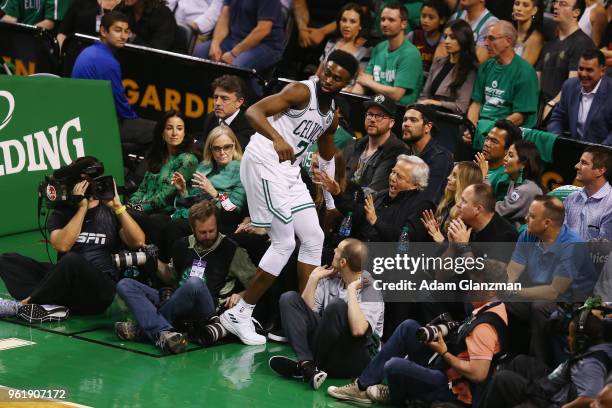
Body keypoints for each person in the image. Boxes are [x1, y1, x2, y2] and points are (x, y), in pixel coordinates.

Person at [218, 50, 359, 346]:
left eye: (337, 78)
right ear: (321, 66)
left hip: (289, 171)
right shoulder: (299, 91)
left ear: (347, 83)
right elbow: (254, 112)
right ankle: (240, 312)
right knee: (284, 242)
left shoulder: (330, 113)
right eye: (327, 71)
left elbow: (326, 153)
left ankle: (302, 316)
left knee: (313, 237)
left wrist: (331, 203)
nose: (329, 79)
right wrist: (277, 137)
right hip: (264, 161)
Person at [327, 262, 509, 407]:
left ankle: (397, 396)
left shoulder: (485, 327)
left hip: (452, 388)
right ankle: (362, 386)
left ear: (492, 290)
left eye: (475, 283)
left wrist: (445, 353)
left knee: (394, 366)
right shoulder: (491, 307)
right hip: (446, 368)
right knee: (408, 327)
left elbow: (478, 374)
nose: (469, 287)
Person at [0, 157, 145, 317]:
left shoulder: (111, 210)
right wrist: (82, 208)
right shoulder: (63, 212)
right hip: (67, 284)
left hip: (99, 288)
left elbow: (137, 241)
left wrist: (118, 207)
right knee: (8, 260)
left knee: (71, 260)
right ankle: (50, 306)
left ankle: (23, 305)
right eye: (84, 180)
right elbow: (62, 245)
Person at [115, 200, 256, 354]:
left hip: (207, 307)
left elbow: (257, 284)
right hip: (177, 301)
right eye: (202, 232)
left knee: (194, 283)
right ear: (192, 229)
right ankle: (162, 332)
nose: (208, 236)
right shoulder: (181, 245)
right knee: (125, 284)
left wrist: (240, 295)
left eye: (211, 230)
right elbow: (170, 278)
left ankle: (145, 329)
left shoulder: (232, 250)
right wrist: (154, 262)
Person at [268, 239, 384, 390]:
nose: (333, 251)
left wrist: (351, 290)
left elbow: (359, 330)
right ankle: (308, 365)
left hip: (357, 356)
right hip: (328, 348)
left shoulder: (370, 289)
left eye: (337, 249)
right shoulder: (333, 276)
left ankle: (304, 368)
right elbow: (305, 314)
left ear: (342, 262)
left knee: (337, 306)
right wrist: (313, 279)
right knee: (289, 299)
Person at [506, 195, 597, 365]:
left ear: (547, 223)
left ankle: (540, 365)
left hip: (573, 299)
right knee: (498, 298)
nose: (526, 219)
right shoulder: (528, 235)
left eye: (532, 216)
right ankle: (505, 354)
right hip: (539, 289)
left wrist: (514, 290)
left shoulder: (572, 245)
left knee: (540, 306)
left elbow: (554, 291)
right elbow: (513, 270)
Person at [483, 311, 611, 408]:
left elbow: (589, 397)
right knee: (519, 362)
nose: (568, 339)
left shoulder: (590, 365)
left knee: (502, 379)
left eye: (571, 335)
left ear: (582, 341)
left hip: (551, 399)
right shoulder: (599, 346)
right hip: (554, 383)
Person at [71, 11, 156, 156]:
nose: (123, 36)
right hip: (97, 125)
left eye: (126, 32)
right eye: (118, 30)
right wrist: (137, 122)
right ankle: (138, 177)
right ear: (103, 31)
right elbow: (121, 106)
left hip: (81, 119)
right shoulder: (108, 63)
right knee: (159, 131)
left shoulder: (89, 51)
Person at [464, 20, 539, 149]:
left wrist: (490, 132)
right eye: (485, 38)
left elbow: (519, 117)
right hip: (482, 128)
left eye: (492, 39)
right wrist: (472, 129)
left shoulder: (525, 72)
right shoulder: (486, 66)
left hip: (508, 135)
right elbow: (476, 103)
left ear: (508, 41)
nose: (486, 43)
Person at [332, 155, 435, 243]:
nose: (392, 178)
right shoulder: (381, 195)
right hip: (358, 249)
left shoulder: (422, 206)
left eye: (399, 176)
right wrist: (338, 194)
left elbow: (405, 241)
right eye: (393, 172)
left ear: (415, 184)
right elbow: (356, 213)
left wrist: (376, 221)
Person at [169, 125, 246, 242]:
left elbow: (233, 212)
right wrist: (183, 191)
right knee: (159, 221)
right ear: (210, 149)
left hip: (218, 223)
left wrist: (215, 194)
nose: (222, 152)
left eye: (227, 147)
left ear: (234, 146)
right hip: (196, 216)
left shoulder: (241, 171)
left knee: (173, 227)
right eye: (217, 148)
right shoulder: (204, 166)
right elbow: (193, 204)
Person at [348, 3, 424, 105]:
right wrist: (352, 101)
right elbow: (364, 79)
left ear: (403, 24)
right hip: (377, 104)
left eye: (391, 20)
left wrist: (369, 83)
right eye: (383, 19)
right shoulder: (379, 47)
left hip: (399, 111)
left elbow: (396, 94)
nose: (384, 24)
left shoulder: (411, 54)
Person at [338, 95, 408, 202]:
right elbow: (336, 177)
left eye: (379, 116)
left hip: (366, 209)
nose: (372, 120)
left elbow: (373, 192)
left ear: (391, 122)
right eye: (370, 114)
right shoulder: (353, 144)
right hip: (340, 201)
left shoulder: (397, 152)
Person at [128, 110, 199, 215]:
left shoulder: (188, 160)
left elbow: (165, 196)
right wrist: (130, 205)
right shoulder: (157, 156)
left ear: (184, 133)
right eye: (169, 128)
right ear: (162, 133)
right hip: (142, 210)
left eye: (179, 129)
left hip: (165, 214)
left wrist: (137, 208)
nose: (174, 133)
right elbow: (142, 189)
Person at [538, 0, 595, 120]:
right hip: (541, 109)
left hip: (561, 113)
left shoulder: (583, 44)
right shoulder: (549, 44)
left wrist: (551, 105)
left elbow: (573, 85)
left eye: (563, 4)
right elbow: (537, 80)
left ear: (576, 12)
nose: (556, 6)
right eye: (556, 3)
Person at [192, 0, 285, 72]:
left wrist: (234, 53)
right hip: (235, 40)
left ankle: (255, 94)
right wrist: (215, 44)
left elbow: (263, 30)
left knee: (237, 66)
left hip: (266, 46)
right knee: (199, 52)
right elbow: (224, 18)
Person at [547, 48, 612, 145]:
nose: (583, 74)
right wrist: (558, 140)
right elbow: (557, 118)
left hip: (603, 155)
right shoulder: (570, 86)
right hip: (574, 149)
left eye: (589, 70)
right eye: (581, 68)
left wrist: (597, 153)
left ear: (602, 71)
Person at [418, 19, 478, 114]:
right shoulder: (438, 62)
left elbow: (461, 107)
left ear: (463, 39)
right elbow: (425, 95)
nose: (446, 41)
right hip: (429, 114)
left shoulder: (470, 69)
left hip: (449, 119)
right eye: (445, 37)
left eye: (452, 37)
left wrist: (435, 103)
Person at [401, 104, 454, 203]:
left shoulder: (440, 158)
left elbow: (428, 200)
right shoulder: (405, 154)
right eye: (405, 119)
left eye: (413, 120)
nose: (406, 124)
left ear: (428, 127)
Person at [421, 161, 483, 243]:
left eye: (454, 176)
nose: (448, 177)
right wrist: (433, 231)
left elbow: (458, 251)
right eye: (451, 174)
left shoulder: (467, 214)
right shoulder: (447, 202)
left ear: (464, 181)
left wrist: (441, 239)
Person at [564, 146, 612, 241]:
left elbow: (605, 250)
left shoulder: (610, 204)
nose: (577, 166)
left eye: (584, 163)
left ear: (600, 170)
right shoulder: (571, 198)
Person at [494, 140, 544, 228]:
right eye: (506, 154)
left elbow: (499, 210)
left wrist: (484, 178)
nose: (505, 158)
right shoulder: (515, 182)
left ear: (523, 164)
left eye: (510, 155)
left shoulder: (527, 189)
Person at [198, 75, 254, 151]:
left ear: (239, 102)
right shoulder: (211, 117)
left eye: (224, 98)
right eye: (215, 97)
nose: (217, 103)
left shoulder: (248, 126)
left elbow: (232, 153)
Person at [314, 3, 369, 78]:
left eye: (352, 21)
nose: (346, 25)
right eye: (344, 20)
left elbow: (360, 80)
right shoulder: (331, 43)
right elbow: (318, 75)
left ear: (360, 26)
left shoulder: (366, 49)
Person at [474, 120, 523, 202]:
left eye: (494, 141)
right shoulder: (477, 164)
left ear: (508, 150)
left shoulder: (506, 178)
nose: (487, 144)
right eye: (487, 138)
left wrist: (483, 178)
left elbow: (490, 207)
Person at [407, 0, 451, 76]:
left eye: (431, 18)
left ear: (442, 20)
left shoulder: (445, 41)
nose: (425, 21)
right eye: (423, 16)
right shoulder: (412, 36)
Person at [57, 0, 123, 47]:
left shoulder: (126, 6)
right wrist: (62, 56)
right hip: (77, 55)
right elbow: (62, 33)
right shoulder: (81, 2)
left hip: (112, 59)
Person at [512, 0, 544, 65]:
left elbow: (522, 70)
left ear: (534, 10)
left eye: (525, 5)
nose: (519, 8)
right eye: (517, 4)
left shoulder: (535, 39)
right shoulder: (510, 30)